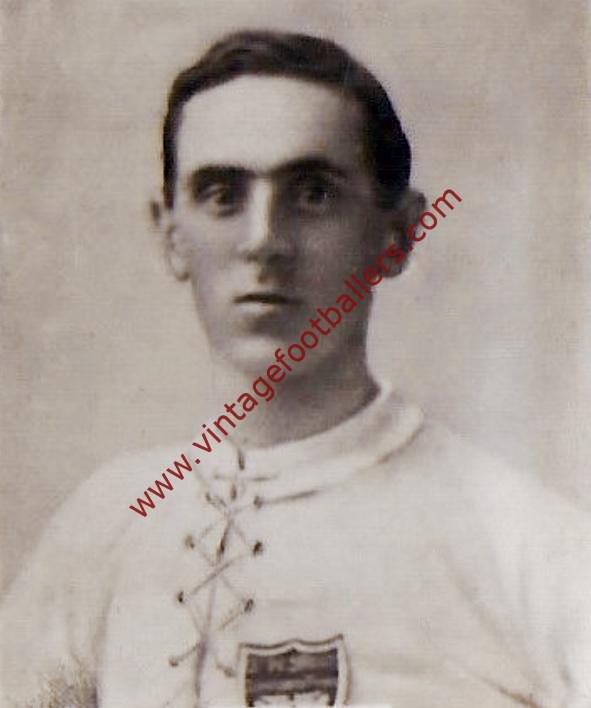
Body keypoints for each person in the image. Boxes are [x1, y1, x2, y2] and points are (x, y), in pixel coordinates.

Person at [2, 29, 591, 708]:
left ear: (397, 233)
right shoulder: (103, 526)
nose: (263, 241)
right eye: (222, 194)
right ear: (171, 234)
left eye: (312, 194)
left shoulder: (524, 544)